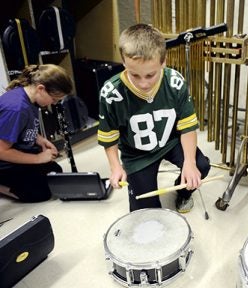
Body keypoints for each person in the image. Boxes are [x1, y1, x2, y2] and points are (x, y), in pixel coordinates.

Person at [98, 24, 210, 213]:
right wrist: (115, 167)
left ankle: (183, 193)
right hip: (136, 154)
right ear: (124, 62)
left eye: (150, 75)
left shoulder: (174, 82)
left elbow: (187, 127)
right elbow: (109, 135)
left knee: (200, 166)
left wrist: (189, 164)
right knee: (146, 212)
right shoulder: (111, 92)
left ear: (163, 62)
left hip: (170, 141)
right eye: (135, 75)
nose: (143, 83)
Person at [0, 64, 74, 202]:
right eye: (54, 99)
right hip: (2, 159)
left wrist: (39, 139)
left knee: (54, 173)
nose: (53, 103)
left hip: (14, 148)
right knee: (41, 192)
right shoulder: (16, 108)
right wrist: (38, 158)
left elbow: (19, 128)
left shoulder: (30, 99)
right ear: (41, 89)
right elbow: (2, 150)